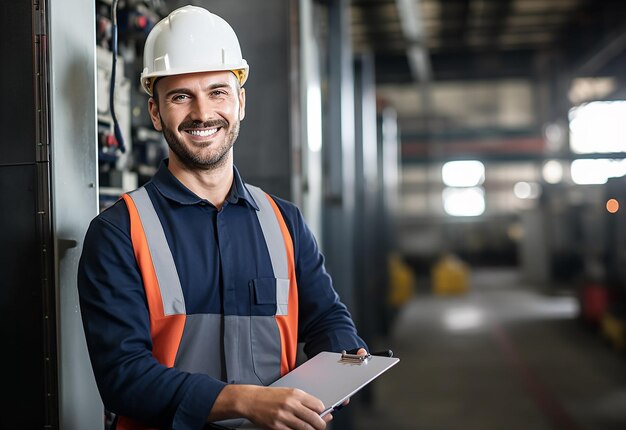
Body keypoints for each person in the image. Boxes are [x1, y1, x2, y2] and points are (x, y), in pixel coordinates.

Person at [78, 5, 367, 430]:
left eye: (217, 91)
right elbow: (124, 375)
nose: (202, 113)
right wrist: (246, 402)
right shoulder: (119, 233)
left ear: (240, 101)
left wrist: (345, 358)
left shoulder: (284, 222)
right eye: (180, 96)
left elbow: (326, 317)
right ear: (155, 112)